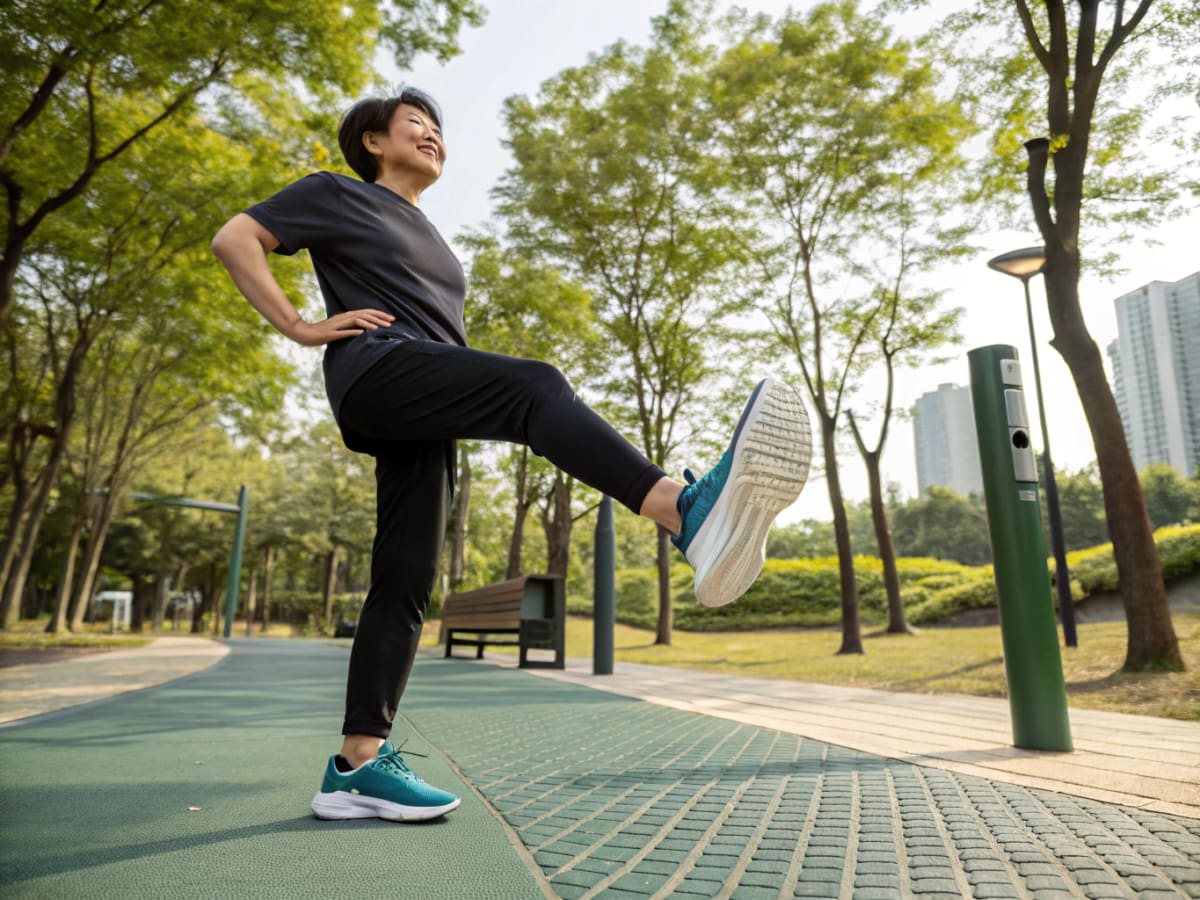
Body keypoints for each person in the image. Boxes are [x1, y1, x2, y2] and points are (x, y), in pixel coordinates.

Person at [211, 88, 811, 824]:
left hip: (423, 405)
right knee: (537, 387)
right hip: (377, 371)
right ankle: (681, 510)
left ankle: (355, 766)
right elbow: (235, 239)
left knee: (406, 578)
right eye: (415, 125)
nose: (433, 136)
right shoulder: (335, 194)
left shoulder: (431, 234)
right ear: (371, 141)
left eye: (439, 129)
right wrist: (300, 326)